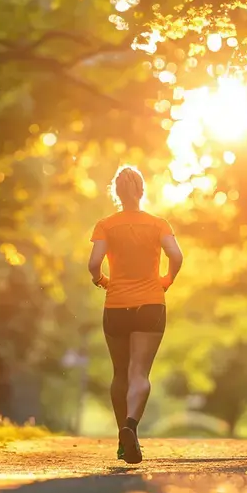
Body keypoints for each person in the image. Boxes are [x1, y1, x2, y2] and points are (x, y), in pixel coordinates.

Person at [88, 165, 183, 464]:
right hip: (151, 305)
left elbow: (94, 264)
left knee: (120, 374)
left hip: (116, 305)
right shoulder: (158, 224)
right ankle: (131, 426)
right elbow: (176, 256)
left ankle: (123, 437)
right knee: (139, 373)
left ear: (116, 192)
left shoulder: (105, 225)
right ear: (141, 191)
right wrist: (167, 280)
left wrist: (101, 281)